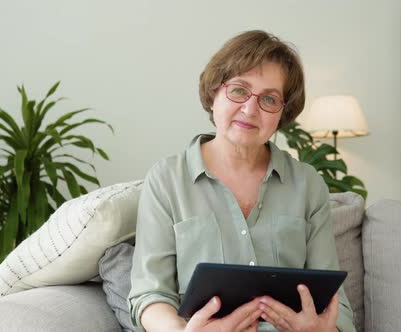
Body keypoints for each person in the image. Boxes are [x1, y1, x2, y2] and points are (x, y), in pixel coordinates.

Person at [127, 30, 356, 332]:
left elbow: (333, 301)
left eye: (269, 99)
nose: (250, 110)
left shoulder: (308, 184)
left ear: (282, 113)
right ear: (213, 94)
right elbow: (150, 294)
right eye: (238, 90)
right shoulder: (167, 180)